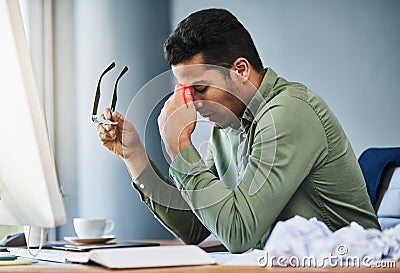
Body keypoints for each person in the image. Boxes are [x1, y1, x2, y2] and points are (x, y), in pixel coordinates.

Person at [97, 8, 380, 253]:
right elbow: (197, 226)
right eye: (185, 91)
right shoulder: (228, 124)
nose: (192, 104)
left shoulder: (290, 112)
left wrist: (179, 147)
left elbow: (238, 234)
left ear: (240, 70)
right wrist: (134, 155)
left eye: (200, 88)